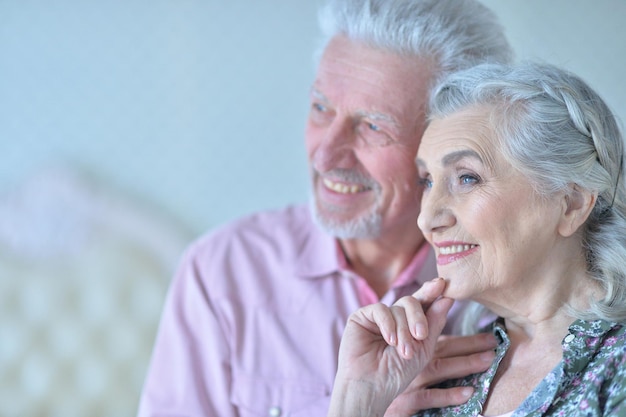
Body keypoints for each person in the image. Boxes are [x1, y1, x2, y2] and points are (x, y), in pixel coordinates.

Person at [137, 1, 513, 416]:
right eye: (321, 108)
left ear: (449, 143)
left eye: (372, 126)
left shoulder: (507, 288)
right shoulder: (222, 273)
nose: (326, 154)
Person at [327, 61, 626, 417]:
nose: (427, 219)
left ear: (571, 203)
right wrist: (357, 402)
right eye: (427, 181)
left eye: (467, 178)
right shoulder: (428, 373)